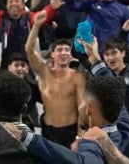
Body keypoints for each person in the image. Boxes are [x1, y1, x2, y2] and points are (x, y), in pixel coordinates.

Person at [26, 11, 85, 148]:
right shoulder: (44, 73)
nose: (63, 53)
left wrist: (79, 136)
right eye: (59, 50)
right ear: (52, 54)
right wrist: (36, 26)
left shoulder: (78, 77)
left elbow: (83, 109)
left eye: (66, 50)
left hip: (71, 131)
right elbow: (29, 50)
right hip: (49, 130)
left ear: (71, 55)